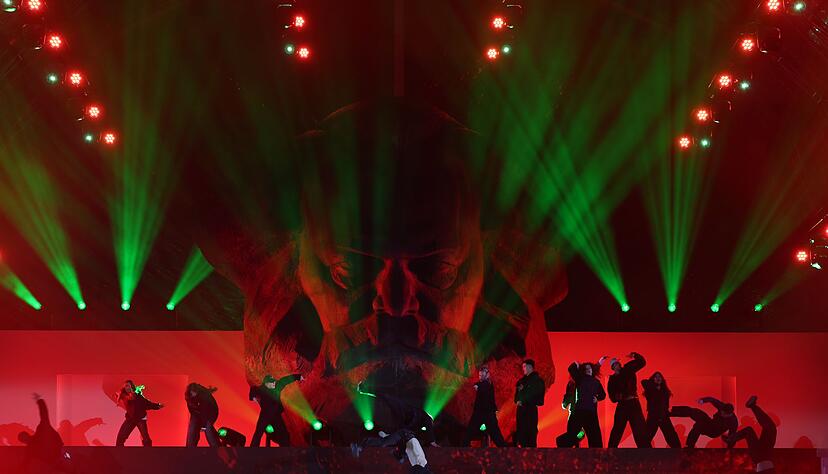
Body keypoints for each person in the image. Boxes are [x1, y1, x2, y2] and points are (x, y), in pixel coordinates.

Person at [556, 360, 606, 448]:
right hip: (579, 411)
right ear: (583, 371)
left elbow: (603, 395)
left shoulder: (596, 382)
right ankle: (562, 443)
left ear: (592, 370)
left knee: (594, 436)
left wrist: (597, 398)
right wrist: (576, 363)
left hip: (591, 412)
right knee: (573, 433)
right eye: (585, 369)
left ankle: (596, 456)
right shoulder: (580, 379)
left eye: (589, 368)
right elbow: (571, 369)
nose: (588, 370)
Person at [607, 352, 650, 448]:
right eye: (615, 364)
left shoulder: (628, 370)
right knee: (617, 428)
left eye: (618, 363)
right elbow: (611, 395)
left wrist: (635, 355)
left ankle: (645, 451)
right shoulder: (612, 379)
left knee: (639, 428)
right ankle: (611, 450)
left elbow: (642, 362)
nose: (617, 365)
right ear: (612, 367)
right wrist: (618, 397)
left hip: (633, 402)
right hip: (622, 405)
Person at [723, 396, 777, 473]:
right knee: (768, 427)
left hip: (761, 456)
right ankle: (752, 405)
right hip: (765, 454)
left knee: (753, 430)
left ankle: (730, 439)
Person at [18, 393, 69, 473]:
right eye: (23, 440)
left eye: (24, 437)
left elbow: (44, 414)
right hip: (54, 462)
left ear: (27, 435)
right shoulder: (30, 449)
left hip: (59, 453)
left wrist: (40, 401)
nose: (25, 440)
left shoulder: (41, 430)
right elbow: (25, 462)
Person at [249, 373, 304, 447]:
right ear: (266, 384)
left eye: (274, 382)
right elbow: (253, 389)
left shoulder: (278, 385)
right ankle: (253, 448)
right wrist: (253, 397)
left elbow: (286, 379)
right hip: (265, 414)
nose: (274, 384)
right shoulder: (261, 389)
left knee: (283, 432)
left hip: (276, 414)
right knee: (259, 431)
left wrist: (299, 377)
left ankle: (285, 447)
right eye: (272, 383)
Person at [462, 366, 507, 447]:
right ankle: (463, 447)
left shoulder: (488, 383)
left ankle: (504, 449)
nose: (481, 377)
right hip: (480, 412)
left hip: (488, 413)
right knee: (470, 430)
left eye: (482, 375)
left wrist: (477, 385)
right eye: (480, 375)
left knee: (495, 433)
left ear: (487, 375)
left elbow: (483, 385)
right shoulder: (482, 384)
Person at [352, 428, 432, 474]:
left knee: (401, 457)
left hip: (403, 443)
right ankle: (359, 445)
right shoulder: (421, 464)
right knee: (383, 444)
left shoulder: (419, 464)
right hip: (404, 436)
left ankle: (386, 436)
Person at [670, 396, 738, 448]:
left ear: (730, 414)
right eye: (721, 412)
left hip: (714, 432)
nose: (722, 414)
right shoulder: (722, 406)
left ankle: (690, 446)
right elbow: (712, 399)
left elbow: (732, 437)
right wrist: (703, 400)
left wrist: (729, 448)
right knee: (694, 411)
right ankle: (671, 412)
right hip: (710, 423)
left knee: (699, 426)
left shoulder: (733, 422)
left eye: (724, 414)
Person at [115, 380, 163, 447]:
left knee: (146, 438)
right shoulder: (124, 395)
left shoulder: (138, 396)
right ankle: (119, 452)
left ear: (132, 386)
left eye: (128, 386)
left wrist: (157, 406)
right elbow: (127, 398)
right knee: (121, 437)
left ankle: (148, 452)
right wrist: (118, 396)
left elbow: (147, 404)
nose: (127, 387)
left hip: (140, 418)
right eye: (126, 386)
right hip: (130, 419)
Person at [641, 372, 680, 448]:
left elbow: (666, 405)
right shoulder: (650, 390)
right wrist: (653, 383)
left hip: (663, 416)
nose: (658, 378)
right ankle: (645, 455)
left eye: (660, 377)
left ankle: (679, 453)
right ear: (653, 379)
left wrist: (668, 412)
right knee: (646, 438)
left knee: (672, 437)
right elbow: (643, 381)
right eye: (656, 377)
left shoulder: (665, 391)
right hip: (653, 417)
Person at [514, 359, 546, 447]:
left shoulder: (537, 381)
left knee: (531, 433)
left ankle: (532, 456)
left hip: (530, 410)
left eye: (524, 366)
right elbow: (516, 396)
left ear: (530, 367)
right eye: (522, 367)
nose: (523, 369)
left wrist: (524, 400)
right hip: (521, 410)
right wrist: (517, 401)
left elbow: (537, 395)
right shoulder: (521, 381)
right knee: (521, 433)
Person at [185, 383, 220, 447]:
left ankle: (216, 447)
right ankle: (190, 448)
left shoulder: (204, 396)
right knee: (192, 428)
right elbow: (191, 410)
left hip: (211, 412)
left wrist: (204, 426)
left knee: (208, 428)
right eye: (193, 393)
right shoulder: (188, 396)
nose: (194, 394)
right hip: (197, 413)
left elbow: (205, 412)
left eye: (195, 393)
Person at [561, 374, 583, 447]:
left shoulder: (580, 385)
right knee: (573, 435)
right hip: (574, 416)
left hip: (578, 415)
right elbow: (564, 405)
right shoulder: (571, 386)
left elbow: (564, 405)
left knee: (577, 434)